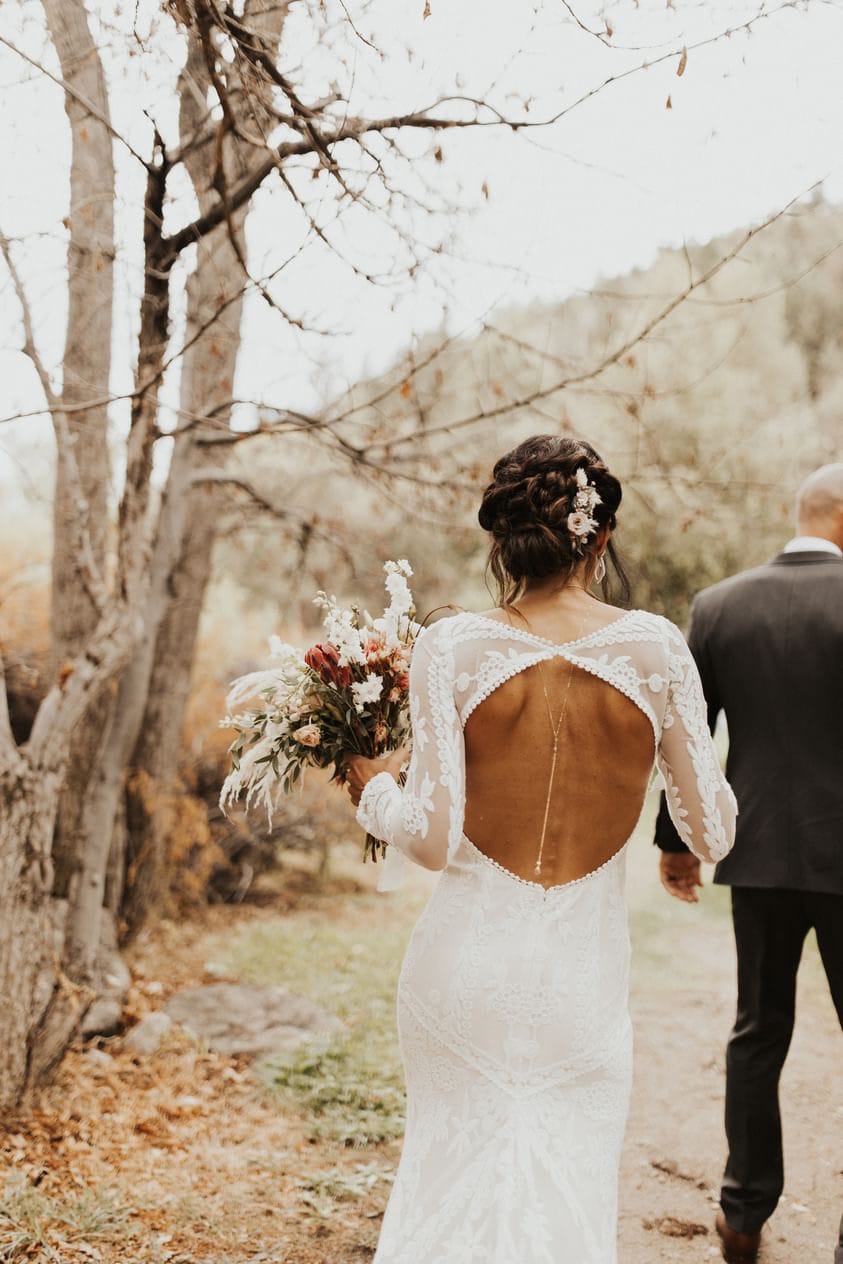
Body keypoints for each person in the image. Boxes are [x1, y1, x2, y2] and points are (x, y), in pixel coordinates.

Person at [344, 434, 736, 1264]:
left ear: (503, 540)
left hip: (462, 974)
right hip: (580, 987)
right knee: (565, 1193)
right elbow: (712, 835)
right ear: (599, 539)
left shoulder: (453, 647)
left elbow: (430, 835)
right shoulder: (655, 649)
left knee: (447, 1182)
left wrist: (367, 785)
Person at [654, 463, 843, 1264]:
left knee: (756, 1031)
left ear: (797, 513)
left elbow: (686, 740)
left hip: (757, 852)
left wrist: (674, 841)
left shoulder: (719, 604)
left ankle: (740, 1214)